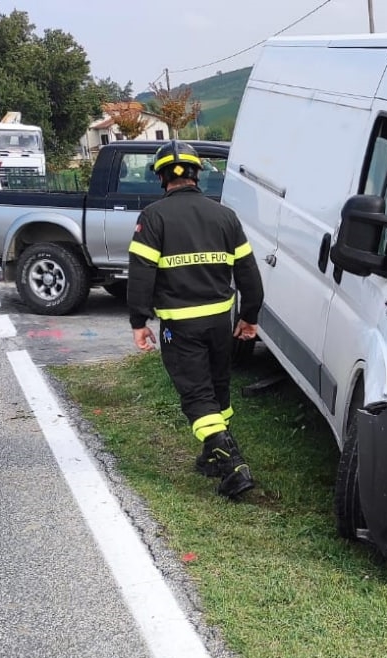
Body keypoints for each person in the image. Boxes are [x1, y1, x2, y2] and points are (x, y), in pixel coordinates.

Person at [128, 141, 265, 500]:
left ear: (161, 177)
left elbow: (141, 274)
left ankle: (231, 464)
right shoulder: (225, 216)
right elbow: (249, 273)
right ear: (196, 173)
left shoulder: (153, 217)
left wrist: (138, 321)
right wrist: (249, 316)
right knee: (218, 389)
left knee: (196, 394)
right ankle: (210, 455)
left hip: (180, 325)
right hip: (221, 322)